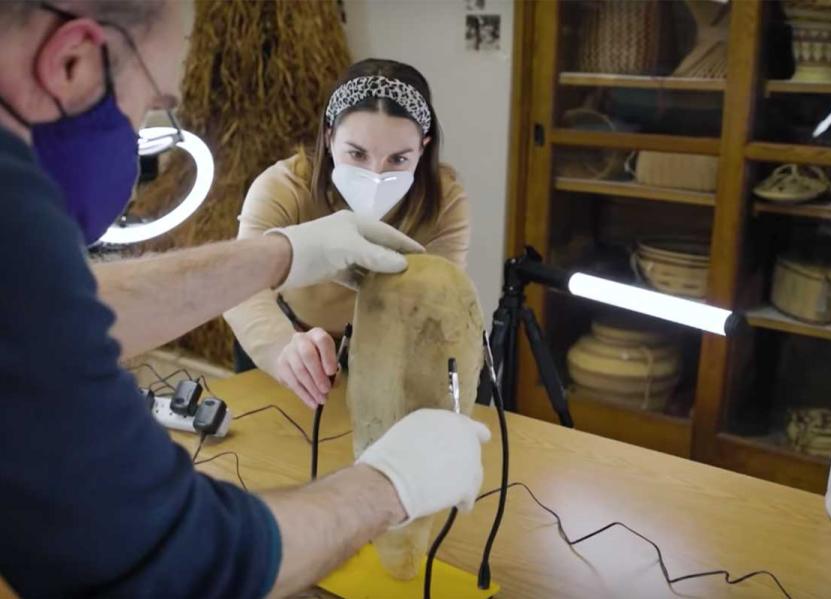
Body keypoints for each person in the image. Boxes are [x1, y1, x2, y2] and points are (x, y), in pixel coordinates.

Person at [0, 1, 489, 597]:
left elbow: (53, 304)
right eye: (151, 105)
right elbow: (174, 559)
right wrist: (392, 484)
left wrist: (277, 256)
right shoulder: (17, 230)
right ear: (71, 63)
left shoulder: (20, 246)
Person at [225, 58, 471, 410]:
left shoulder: (444, 201)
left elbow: (439, 299)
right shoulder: (283, 186)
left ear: (424, 147)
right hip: (289, 341)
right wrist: (281, 346)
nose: (375, 174)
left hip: (389, 352)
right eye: (356, 153)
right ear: (328, 137)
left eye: (398, 159)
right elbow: (239, 282)